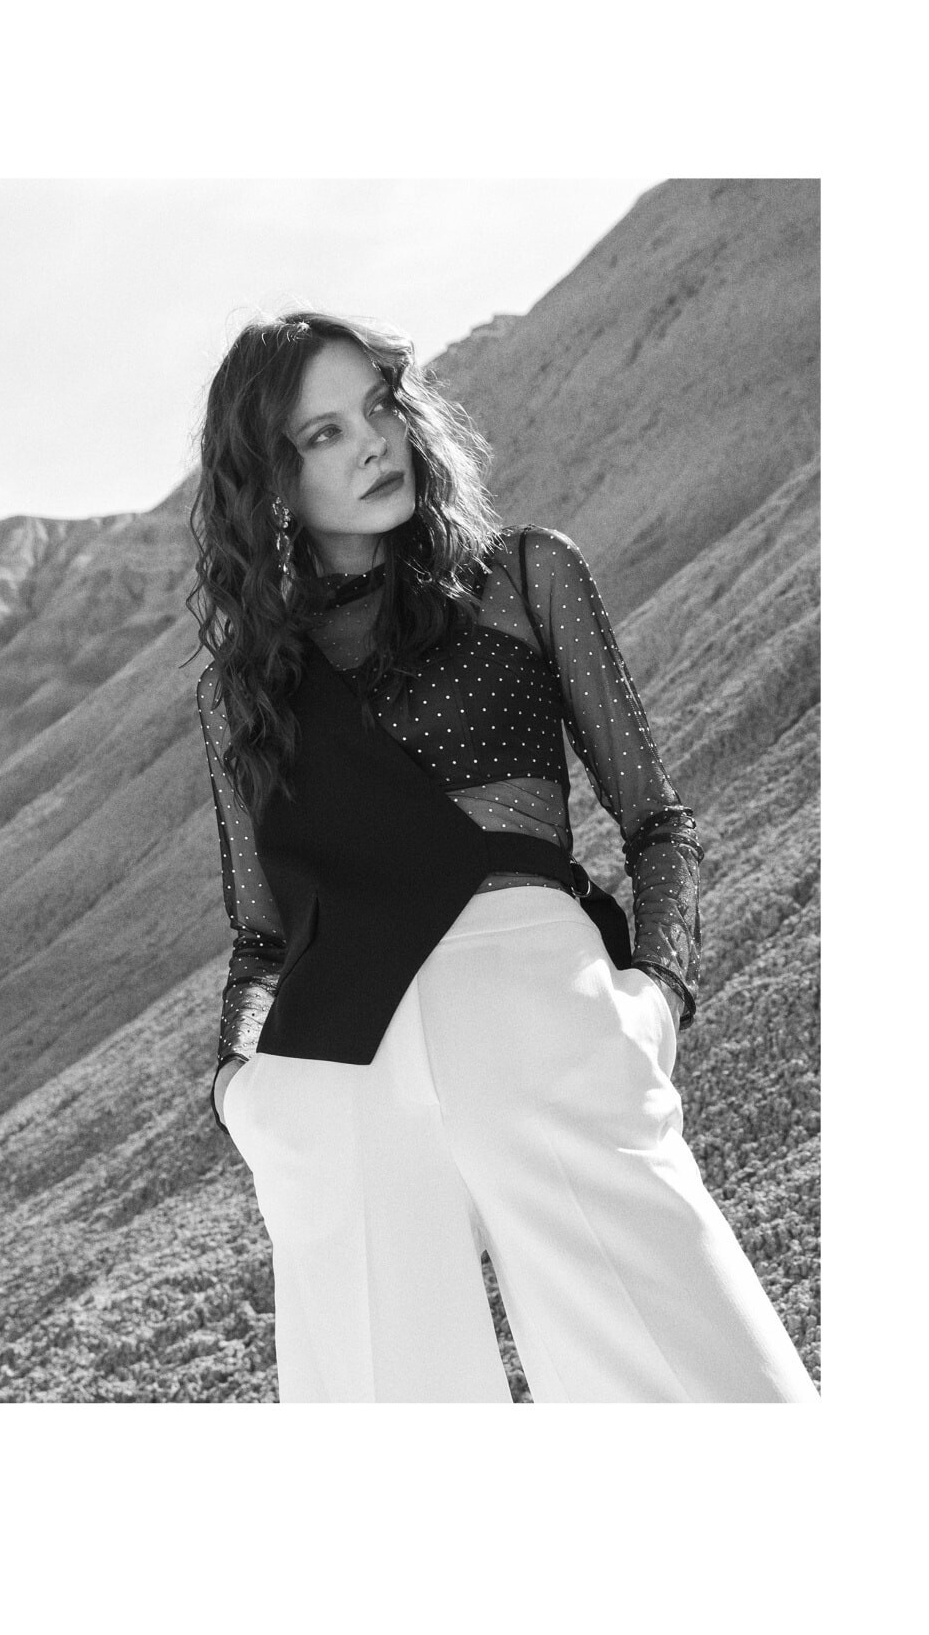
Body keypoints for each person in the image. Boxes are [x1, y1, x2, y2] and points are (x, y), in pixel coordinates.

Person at [186, 310, 817, 1403]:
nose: (373, 443)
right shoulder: (242, 692)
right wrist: (241, 1089)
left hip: (538, 1003)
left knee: (704, 1380)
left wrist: (654, 999)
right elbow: (261, 936)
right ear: (272, 481)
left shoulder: (522, 576)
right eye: (324, 434)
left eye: (378, 406)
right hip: (340, 1068)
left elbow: (656, 820)